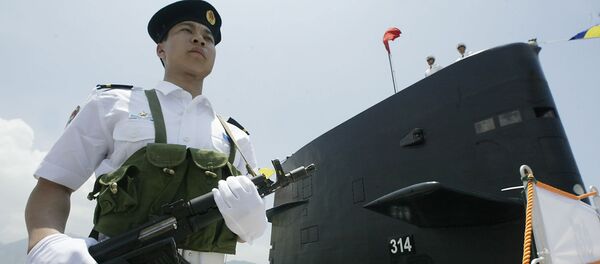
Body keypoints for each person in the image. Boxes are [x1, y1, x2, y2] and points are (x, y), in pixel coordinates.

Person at [24, 1, 267, 263]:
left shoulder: (236, 138)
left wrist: (252, 224)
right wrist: (47, 244)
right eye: (186, 30)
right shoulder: (113, 104)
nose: (199, 38)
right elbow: (54, 185)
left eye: (208, 37)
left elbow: (248, 226)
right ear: (161, 49)